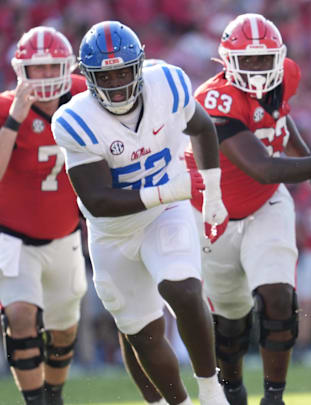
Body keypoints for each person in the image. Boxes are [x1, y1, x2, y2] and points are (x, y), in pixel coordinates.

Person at [51, 21, 229, 405]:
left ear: (140, 66)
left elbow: (202, 128)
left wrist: (212, 193)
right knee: (140, 332)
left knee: (182, 288)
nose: (115, 83)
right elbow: (98, 200)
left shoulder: (167, 83)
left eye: (122, 71)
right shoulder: (74, 120)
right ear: (88, 78)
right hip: (112, 232)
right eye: (105, 75)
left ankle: (212, 391)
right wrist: (171, 189)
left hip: (166, 213)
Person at [184, 14, 311, 405]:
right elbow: (263, 168)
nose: (259, 68)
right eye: (248, 61)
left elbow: (282, 122)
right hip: (213, 214)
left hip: (267, 206)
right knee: (230, 321)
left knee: (278, 296)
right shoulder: (214, 100)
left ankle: (274, 397)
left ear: (278, 58)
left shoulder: (287, 78)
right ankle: (232, 390)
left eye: (265, 59)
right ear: (227, 61)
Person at [0, 26, 88, 405]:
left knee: (64, 329)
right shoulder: (5, 106)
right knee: (19, 315)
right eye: (37, 68)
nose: (46, 76)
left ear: (67, 67)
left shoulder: (86, 96)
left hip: (66, 234)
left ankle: (53, 396)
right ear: (21, 70)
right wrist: (14, 120)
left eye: (54, 67)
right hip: (13, 236)